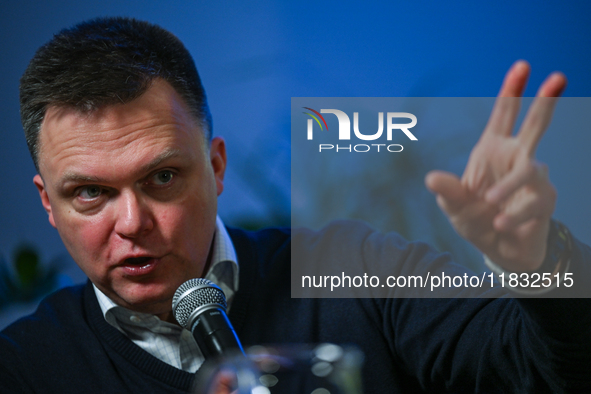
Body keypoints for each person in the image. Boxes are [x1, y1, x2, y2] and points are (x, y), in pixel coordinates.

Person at [0, 16, 589, 393]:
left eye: (162, 178)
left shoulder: (355, 270)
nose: (131, 223)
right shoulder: (26, 368)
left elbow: (547, 371)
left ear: (217, 167)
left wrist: (540, 260)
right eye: (91, 194)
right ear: (48, 203)